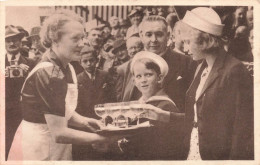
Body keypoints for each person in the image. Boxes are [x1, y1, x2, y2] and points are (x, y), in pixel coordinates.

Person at [8, 9, 123, 161]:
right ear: (55, 40)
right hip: (39, 147)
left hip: (53, 143)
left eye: (83, 38)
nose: (82, 44)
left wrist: (85, 121)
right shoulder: (50, 74)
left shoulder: (66, 65)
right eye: (75, 39)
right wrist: (103, 139)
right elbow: (59, 133)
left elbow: (61, 109)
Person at [143, 7, 254, 160]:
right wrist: (164, 116)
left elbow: (243, 131)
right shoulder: (201, 67)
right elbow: (197, 119)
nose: (185, 49)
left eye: (188, 43)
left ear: (205, 41)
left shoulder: (234, 71)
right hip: (194, 152)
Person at [121, 15, 196, 112]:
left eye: (159, 34)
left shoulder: (186, 62)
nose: (153, 40)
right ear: (141, 35)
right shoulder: (131, 65)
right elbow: (125, 100)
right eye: (149, 35)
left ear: (168, 35)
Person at [119, 51, 184, 160]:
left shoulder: (165, 106)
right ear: (134, 81)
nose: (143, 80)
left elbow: (162, 148)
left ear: (159, 78)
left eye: (148, 75)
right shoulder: (139, 104)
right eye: (139, 76)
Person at [72, 45, 116, 160]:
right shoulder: (77, 79)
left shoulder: (105, 75)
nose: (89, 64)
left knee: (105, 153)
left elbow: (112, 98)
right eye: (85, 61)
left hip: (105, 119)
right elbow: (77, 105)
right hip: (87, 121)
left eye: (91, 60)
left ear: (96, 60)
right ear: (80, 62)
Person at [5, 25, 36, 160]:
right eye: (8, 40)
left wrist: (28, 74)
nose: (12, 43)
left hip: (25, 114)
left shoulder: (32, 62)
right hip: (4, 116)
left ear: (20, 41)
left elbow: (39, 89)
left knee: (25, 150)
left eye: (15, 40)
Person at [116, 36, 144, 102]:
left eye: (136, 47)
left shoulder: (148, 63)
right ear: (127, 50)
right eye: (131, 48)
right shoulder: (122, 68)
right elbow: (119, 93)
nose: (133, 51)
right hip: (130, 100)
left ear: (142, 48)